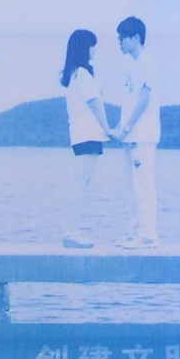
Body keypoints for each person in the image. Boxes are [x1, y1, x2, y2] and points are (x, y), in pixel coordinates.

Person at [108, 16, 163, 248]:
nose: (119, 42)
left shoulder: (148, 63)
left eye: (123, 38)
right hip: (130, 137)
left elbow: (143, 99)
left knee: (143, 187)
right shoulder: (133, 66)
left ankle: (149, 236)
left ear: (136, 38)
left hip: (143, 136)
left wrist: (127, 128)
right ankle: (134, 233)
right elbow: (129, 102)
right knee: (131, 188)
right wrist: (120, 129)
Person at [59, 31, 111, 248]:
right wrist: (107, 129)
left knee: (79, 183)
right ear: (83, 47)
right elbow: (95, 105)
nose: (94, 49)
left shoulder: (74, 74)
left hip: (81, 134)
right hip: (88, 134)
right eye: (92, 45)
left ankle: (72, 231)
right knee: (79, 184)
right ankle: (72, 232)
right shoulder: (82, 74)